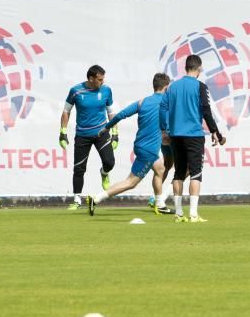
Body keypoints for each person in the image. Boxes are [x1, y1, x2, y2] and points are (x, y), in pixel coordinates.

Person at [87, 73, 174, 215]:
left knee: (160, 169)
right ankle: (96, 198)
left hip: (140, 145)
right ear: (166, 87)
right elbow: (168, 126)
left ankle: (159, 203)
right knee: (131, 182)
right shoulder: (166, 104)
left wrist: (106, 127)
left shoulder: (142, 101)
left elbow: (121, 114)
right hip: (149, 149)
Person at [161, 54, 225, 222]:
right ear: (199, 68)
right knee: (196, 173)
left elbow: (163, 108)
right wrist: (215, 132)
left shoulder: (172, 87)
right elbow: (206, 110)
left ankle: (179, 213)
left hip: (175, 135)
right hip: (194, 135)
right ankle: (194, 214)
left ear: (186, 67)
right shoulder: (200, 86)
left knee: (178, 173)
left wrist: (165, 130)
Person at [60, 65, 116, 210]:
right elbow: (66, 111)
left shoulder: (106, 90)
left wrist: (115, 133)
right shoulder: (76, 91)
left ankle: (104, 173)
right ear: (91, 79)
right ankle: (77, 199)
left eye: (103, 79)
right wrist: (62, 132)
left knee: (109, 162)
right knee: (79, 169)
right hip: (82, 135)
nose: (102, 82)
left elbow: (111, 113)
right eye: (99, 79)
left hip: (101, 133)